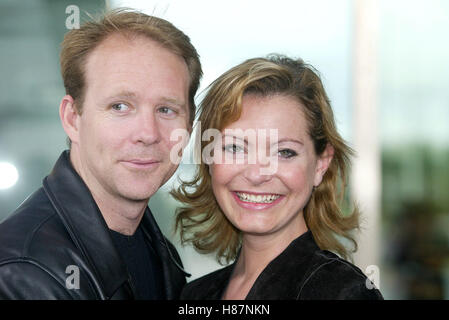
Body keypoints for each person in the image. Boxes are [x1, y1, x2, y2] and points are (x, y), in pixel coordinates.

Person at [0, 9, 202, 299]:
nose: (148, 133)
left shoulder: (158, 251)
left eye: (166, 110)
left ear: (188, 127)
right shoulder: (21, 272)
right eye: (120, 106)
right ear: (72, 118)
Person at [172, 55, 383, 300]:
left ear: (320, 165)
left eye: (284, 152)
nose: (255, 174)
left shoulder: (343, 292)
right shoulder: (195, 294)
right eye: (235, 148)